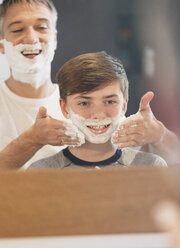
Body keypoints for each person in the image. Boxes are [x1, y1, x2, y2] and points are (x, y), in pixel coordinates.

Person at [28, 52, 167, 169]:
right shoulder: (42, 172)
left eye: (110, 102)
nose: (99, 114)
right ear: (65, 108)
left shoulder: (151, 167)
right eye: (84, 103)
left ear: (124, 105)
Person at [0, 0, 81, 169]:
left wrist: (151, 139)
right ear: (2, 44)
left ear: (55, 39)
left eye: (41, 27)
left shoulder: (82, 105)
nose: (31, 38)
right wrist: (32, 139)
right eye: (17, 30)